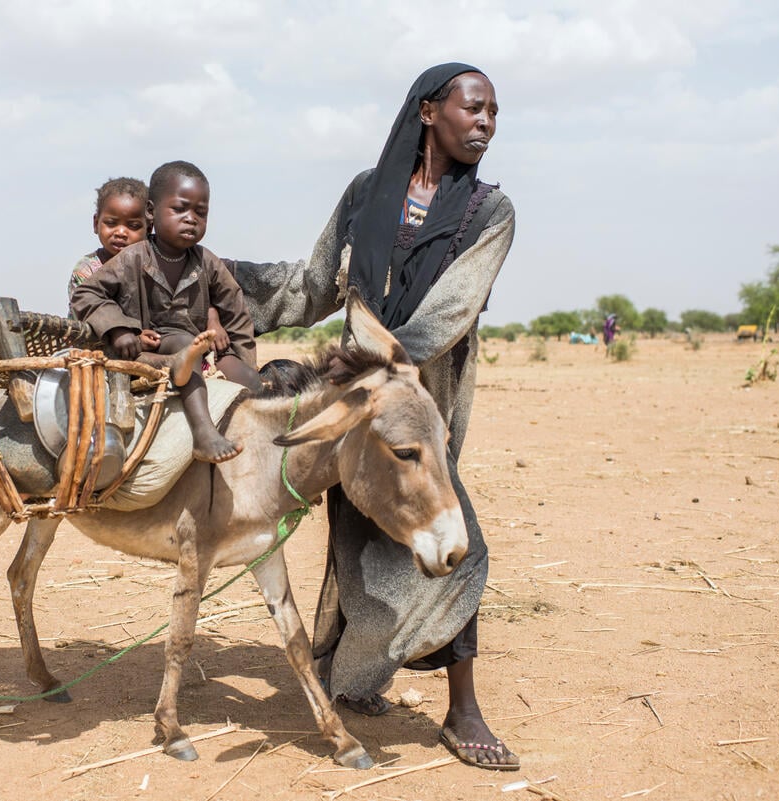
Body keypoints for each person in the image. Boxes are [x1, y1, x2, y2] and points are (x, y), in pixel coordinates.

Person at [231, 63, 520, 770]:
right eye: (473, 108)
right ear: (428, 111)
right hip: (354, 398)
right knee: (353, 528)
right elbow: (311, 283)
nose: (485, 123)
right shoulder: (367, 194)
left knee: (449, 527)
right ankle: (352, 677)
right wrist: (216, 278)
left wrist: (387, 368)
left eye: (493, 113)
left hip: (421, 398)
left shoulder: (490, 213)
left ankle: (463, 707)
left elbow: (450, 312)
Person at [71, 160, 261, 463]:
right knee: (186, 346)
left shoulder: (207, 263)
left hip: (196, 353)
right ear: (151, 212)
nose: (191, 220)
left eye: (200, 212)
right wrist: (119, 329)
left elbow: (236, 315)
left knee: (252, 382)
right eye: (180, 209)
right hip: (140, 355)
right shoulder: (133, 258)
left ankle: (262, 457)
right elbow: (87, 293)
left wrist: (241, 362)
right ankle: (203, 433)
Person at [67, 177, 151, 300]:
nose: (121, 233)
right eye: (111, 223)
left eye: (133, 226)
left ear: (149, 229)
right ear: (96, 224)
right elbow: (86, 309)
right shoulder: (87, 270)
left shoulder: (153, 268)